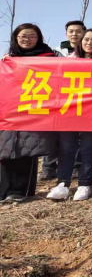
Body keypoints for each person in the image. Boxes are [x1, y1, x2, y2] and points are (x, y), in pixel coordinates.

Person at [47, 29, 92, 202]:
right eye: (86, 39)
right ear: (81, 42)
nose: (89, 43)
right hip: (70, 110)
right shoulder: (68, 61)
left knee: (88, 147)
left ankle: (85, 183)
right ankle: (63, 183)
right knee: (66, 147)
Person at [0, 24, 59, 203]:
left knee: (27, 149)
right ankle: (4, 191)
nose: (27, 39)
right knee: (6, 149)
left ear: (38, 38)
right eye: (23, 36)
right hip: (10, 111)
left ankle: (22, 191)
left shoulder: (48, 58)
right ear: (16, 38)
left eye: (32, 36)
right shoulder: (9, 59)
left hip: (34, 110)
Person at [40, 20, 87, 181]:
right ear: (66, 33)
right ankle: (49, 167)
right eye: (71, 31)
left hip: (82, 98)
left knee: (79, 134)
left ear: (84, 32)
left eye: (78, 31)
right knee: (54, 133)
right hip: (58, 99)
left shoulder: (89, 52)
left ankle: (77, 166)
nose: (74, 34)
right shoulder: (56, 52)